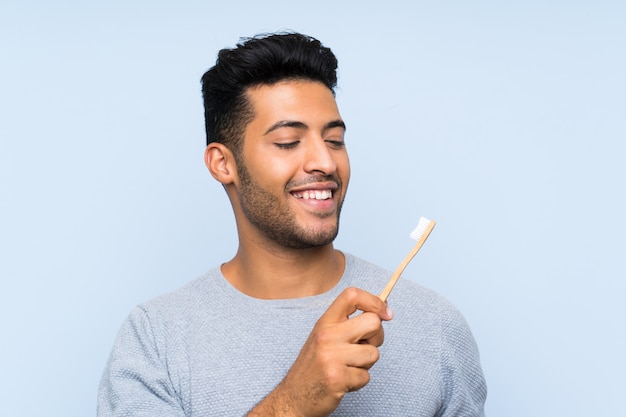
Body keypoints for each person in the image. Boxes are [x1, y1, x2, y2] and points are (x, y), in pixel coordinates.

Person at [97, 32, 487, 416]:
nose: (326, 162)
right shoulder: (154, 339)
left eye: (334, 140)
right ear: (223, 163)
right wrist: (293, 403)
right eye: (287, 142)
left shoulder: (436, 327)